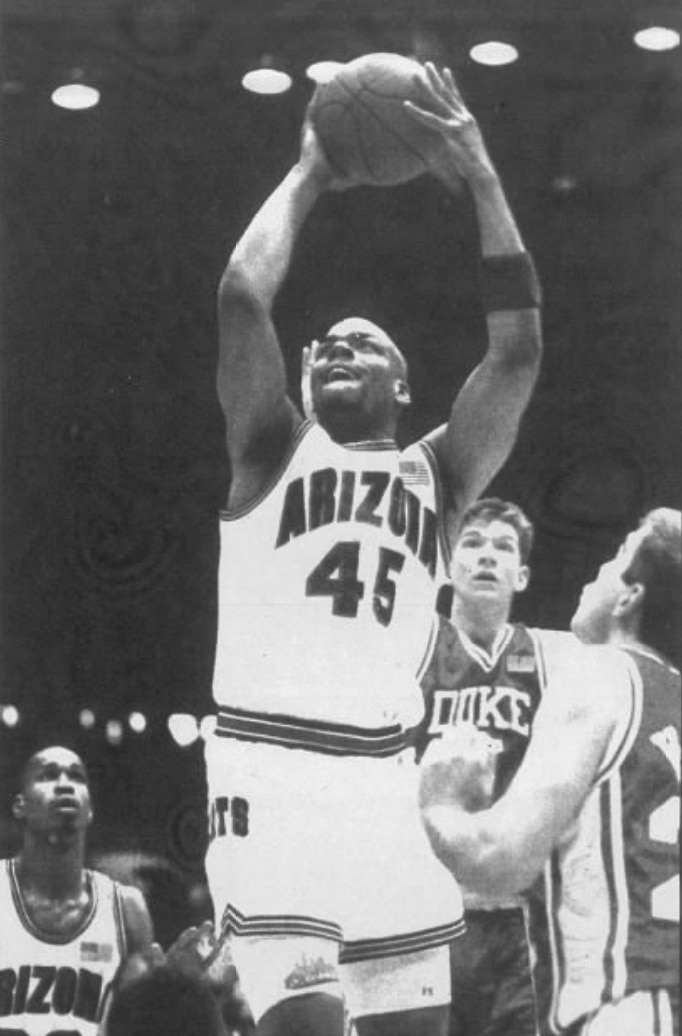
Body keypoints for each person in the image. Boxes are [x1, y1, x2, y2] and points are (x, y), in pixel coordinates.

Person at [209, 60, 543, 1036]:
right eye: (327, 347)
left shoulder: (438, 476)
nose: (338, 350)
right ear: (306, 377)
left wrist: (480, 176)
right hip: (272, 769)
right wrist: (311, 171)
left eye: (366, 344)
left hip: (385, 779)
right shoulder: (271, 448)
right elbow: (241, 296)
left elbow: (516, 352)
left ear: (403, 386)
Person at [419, 508, 681, 1036]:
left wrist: (440, 801)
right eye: (473, 544)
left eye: (613, 559)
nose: (595, 570)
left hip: (630, 1003)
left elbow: (496, 860)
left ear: (629, 598)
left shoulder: (587, 666)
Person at [413, 497, 575, 1036]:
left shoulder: (553, 656)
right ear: (448, 566)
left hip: (519, 915)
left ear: (521, 575)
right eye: (473, 542)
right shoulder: (415, 645)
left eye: (503, 547)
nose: (487, 555)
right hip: (428, 907)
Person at [0, 744, 155, 1036]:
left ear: (90, 810)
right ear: (20, 806)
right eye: (48, 775)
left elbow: (143, 1026)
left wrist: (179, 986)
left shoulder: (126, 910)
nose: (65, 784)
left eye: (77, 776)